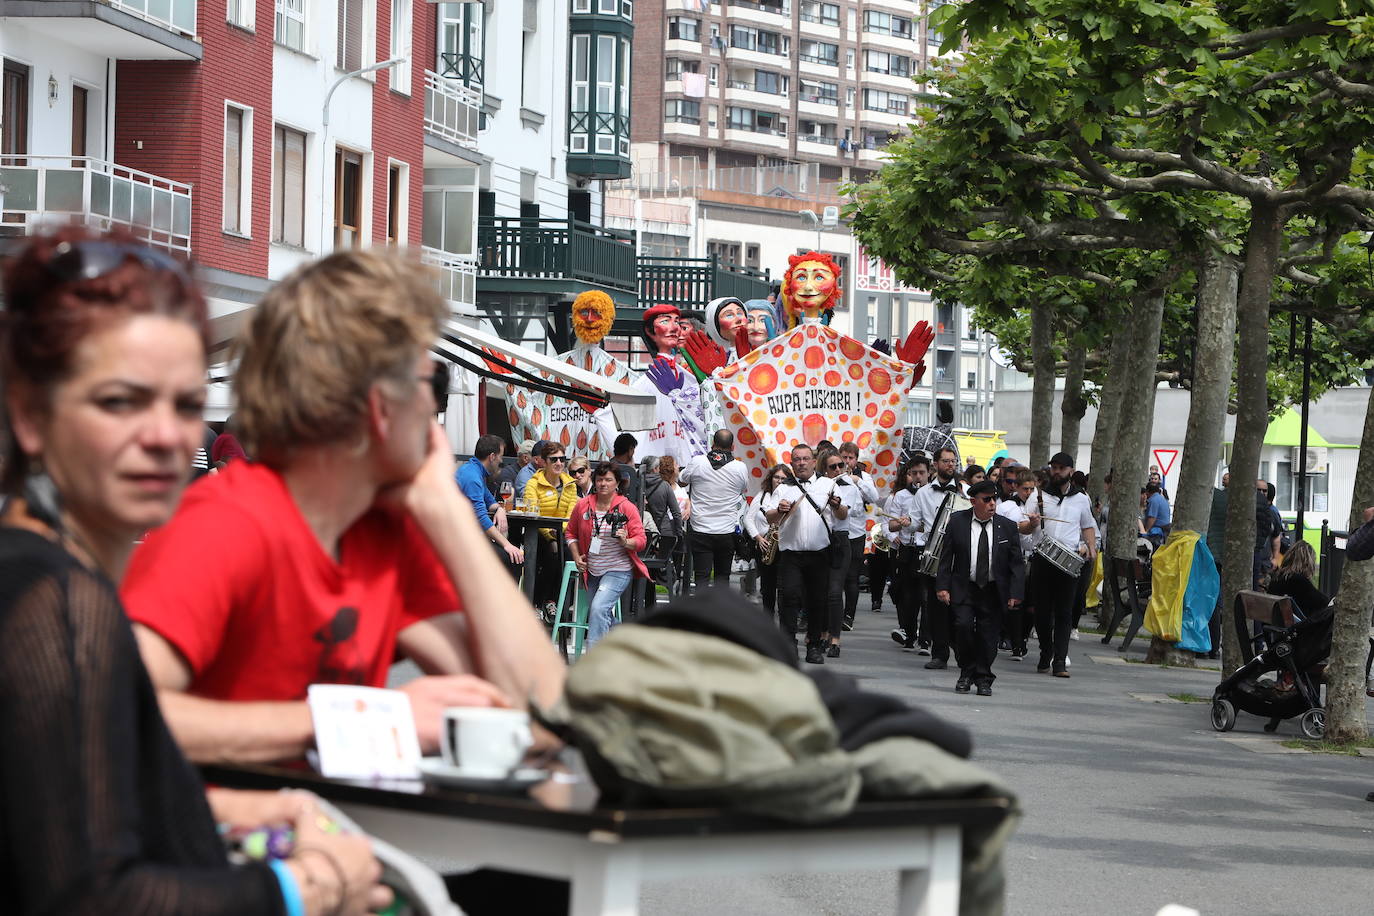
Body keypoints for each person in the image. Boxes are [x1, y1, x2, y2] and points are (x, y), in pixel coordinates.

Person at [0, 230, 385, 915]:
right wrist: (312, 886)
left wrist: (245, 806)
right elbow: (93, 899)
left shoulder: (40, 574)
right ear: (31, 417)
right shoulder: (59, 600)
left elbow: (60, 803)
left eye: (184, 406)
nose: (165, 437)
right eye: (121, 401)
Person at [123, 250, 564, 766]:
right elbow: (119, 714)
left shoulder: (382, 534)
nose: (435, 411)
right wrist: (370, 720)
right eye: (434, 385)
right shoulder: (224, 526)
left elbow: (541, 713)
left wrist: (446, 509)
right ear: (381, 406)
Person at [936, 481, 1026, 696]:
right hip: (965, 586)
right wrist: (943, 586)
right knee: (963, 627)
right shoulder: (957, 522)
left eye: (994, 499)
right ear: (973, 501)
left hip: (994, 590)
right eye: (987, 500)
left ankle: (984, 677)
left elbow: (1016, 563)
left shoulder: (1007, 526)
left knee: (988, 636)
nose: (992, 503)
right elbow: (946, 557)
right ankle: (966, 672)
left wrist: (1016, 593)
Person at [763, 444, 841, 663]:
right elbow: (768, 517)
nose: (802, 463)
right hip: (791, 554)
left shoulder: (828, 484)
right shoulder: (783, 488)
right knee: (789, 598)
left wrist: (837, 505)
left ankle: (814, 645)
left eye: (806, 458)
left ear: (814, 461)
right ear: (792, 462)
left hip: (819, 553)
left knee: (817, 601)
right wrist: (779, 510)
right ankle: (788, 645)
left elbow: (843, 515)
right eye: (797, 459)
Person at [1028, 452, 1098, 678]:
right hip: (1042, 559)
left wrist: (1090, 547)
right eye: (1053, 467)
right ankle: (1045, 652)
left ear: (1070, 470)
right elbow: (1021, 527)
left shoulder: (1081, 498)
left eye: (1061, 468)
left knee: (1064, 612)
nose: (1056, 471)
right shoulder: (1038, 495)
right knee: (1041, 611)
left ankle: (1060, 661)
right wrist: (1031, 524)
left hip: (1068, 562)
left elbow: (1087, 525)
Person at [565, 463, 649, 646]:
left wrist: (626, 541)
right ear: (594, 482)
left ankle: (594, 662)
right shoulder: (583, 505)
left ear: (617, 483)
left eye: (608, 479)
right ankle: (627, 640)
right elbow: (570, 533)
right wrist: (577, 556)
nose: (603, 483)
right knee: (601, 613)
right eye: (599, 479)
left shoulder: (627, 508)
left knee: (598, 608)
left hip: (618, 569)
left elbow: (641, 540)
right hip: (592, 570)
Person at [912, 446, 965, 667]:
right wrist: (904, 525)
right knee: (934, 606)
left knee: (958, 606)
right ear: (935, 464)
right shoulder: (923, 493)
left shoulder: (964, 491)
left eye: (953, 461)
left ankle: (961, 650)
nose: (950, 465)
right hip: (932, 554)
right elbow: (915, 521)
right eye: (946, 461)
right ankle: (939, 654)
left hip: (958, 555)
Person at [680, 429, 750, 593]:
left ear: (712, 444)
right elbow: (742, 489)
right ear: (732, 447)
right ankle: (719, 616)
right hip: (726, 531)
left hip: (700, 529)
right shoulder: (740, 467)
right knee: (722, 579)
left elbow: (682, 480)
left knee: (701, 578)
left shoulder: (698, 462)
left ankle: (702, 617)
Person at [524, 442, 579, 619]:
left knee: (571, 556)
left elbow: (570, 515)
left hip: (562, 533)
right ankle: (545, 600)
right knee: (553, 553)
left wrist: (558, 533)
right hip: (537, 533)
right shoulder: (533, 484)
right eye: (553, 459)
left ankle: (555, 601)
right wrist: (551, 535)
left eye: (562, 459)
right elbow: (533, 512)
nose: (559, 463)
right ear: (544, 462)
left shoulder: (570, 485)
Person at [819, 447, 865, 657]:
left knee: (836, 592)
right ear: (824, 469)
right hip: (819, 540)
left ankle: (835, 640)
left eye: (841, 465)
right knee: (822, 592)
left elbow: (846, 513)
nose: (838, 469)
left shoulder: (851, 487)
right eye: (833, 466)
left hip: (840, 540)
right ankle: (823, 633)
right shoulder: (815, 487)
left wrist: (837, 499)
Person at [456, 434, 524, 564]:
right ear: (492, 457)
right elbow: (481, 517)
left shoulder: (474, 471)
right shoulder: (472, 477)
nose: (500, 461)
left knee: (510, 555)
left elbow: (489, 501)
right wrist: (507, 545)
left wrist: (499, 509)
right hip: (457, 541)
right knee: (513, 559)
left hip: (464, 536)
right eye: (500, 456)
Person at [886, 456, 930, 647]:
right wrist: (901, 523)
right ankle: (908, 632)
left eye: (921, 473)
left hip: (926, 549)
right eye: (914, 473)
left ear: (929, 473)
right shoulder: (901, 496)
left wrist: (917, 525)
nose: (917, 477)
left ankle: (925, 637)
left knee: (925, 595)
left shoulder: (932, 494)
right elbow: (891, 524)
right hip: (906, 550)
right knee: (906, 594)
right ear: (908, 475)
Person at [838, 441, 881, 629]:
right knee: (836, 575)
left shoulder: (864, 476)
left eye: (851, 458)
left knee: (852, 576)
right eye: (844, 457)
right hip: (837, 530)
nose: (847, 461)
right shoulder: (833, 474)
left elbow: (874, 497)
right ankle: (835, 614)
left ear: (856, 459)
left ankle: (849, 616)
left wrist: (858, 481)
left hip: (855, 532)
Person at [745, 465, 789, 620]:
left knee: (784, 586)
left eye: (784, 478)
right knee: (767, 586)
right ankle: (768, 617)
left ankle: (785, 619)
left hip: (783, 545)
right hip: (765, 545)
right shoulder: (762, 495)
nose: (779, 481)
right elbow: (748, 519)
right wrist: (758, 537)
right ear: (771, 478)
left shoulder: (790, 495)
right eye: (777, 477)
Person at [1266, 541, 1329, 620]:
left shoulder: (1278, 576)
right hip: (1295, 628)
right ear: (1308, 562)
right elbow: (1323, 602)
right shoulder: (1299, 581)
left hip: (1275, 624)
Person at [612, 432, 642, 503]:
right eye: (633, 449)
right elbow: (627, 488)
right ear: (630, 449)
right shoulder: (620, 468)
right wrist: (632, 469)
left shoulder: (613, 463)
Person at [1143, 480, 1172, 547]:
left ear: (1147, 491)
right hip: (1165, 528)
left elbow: (1152, 518)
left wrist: (1146, 531)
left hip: (1158, 531)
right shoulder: (1162, 499)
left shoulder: (1153, 500)